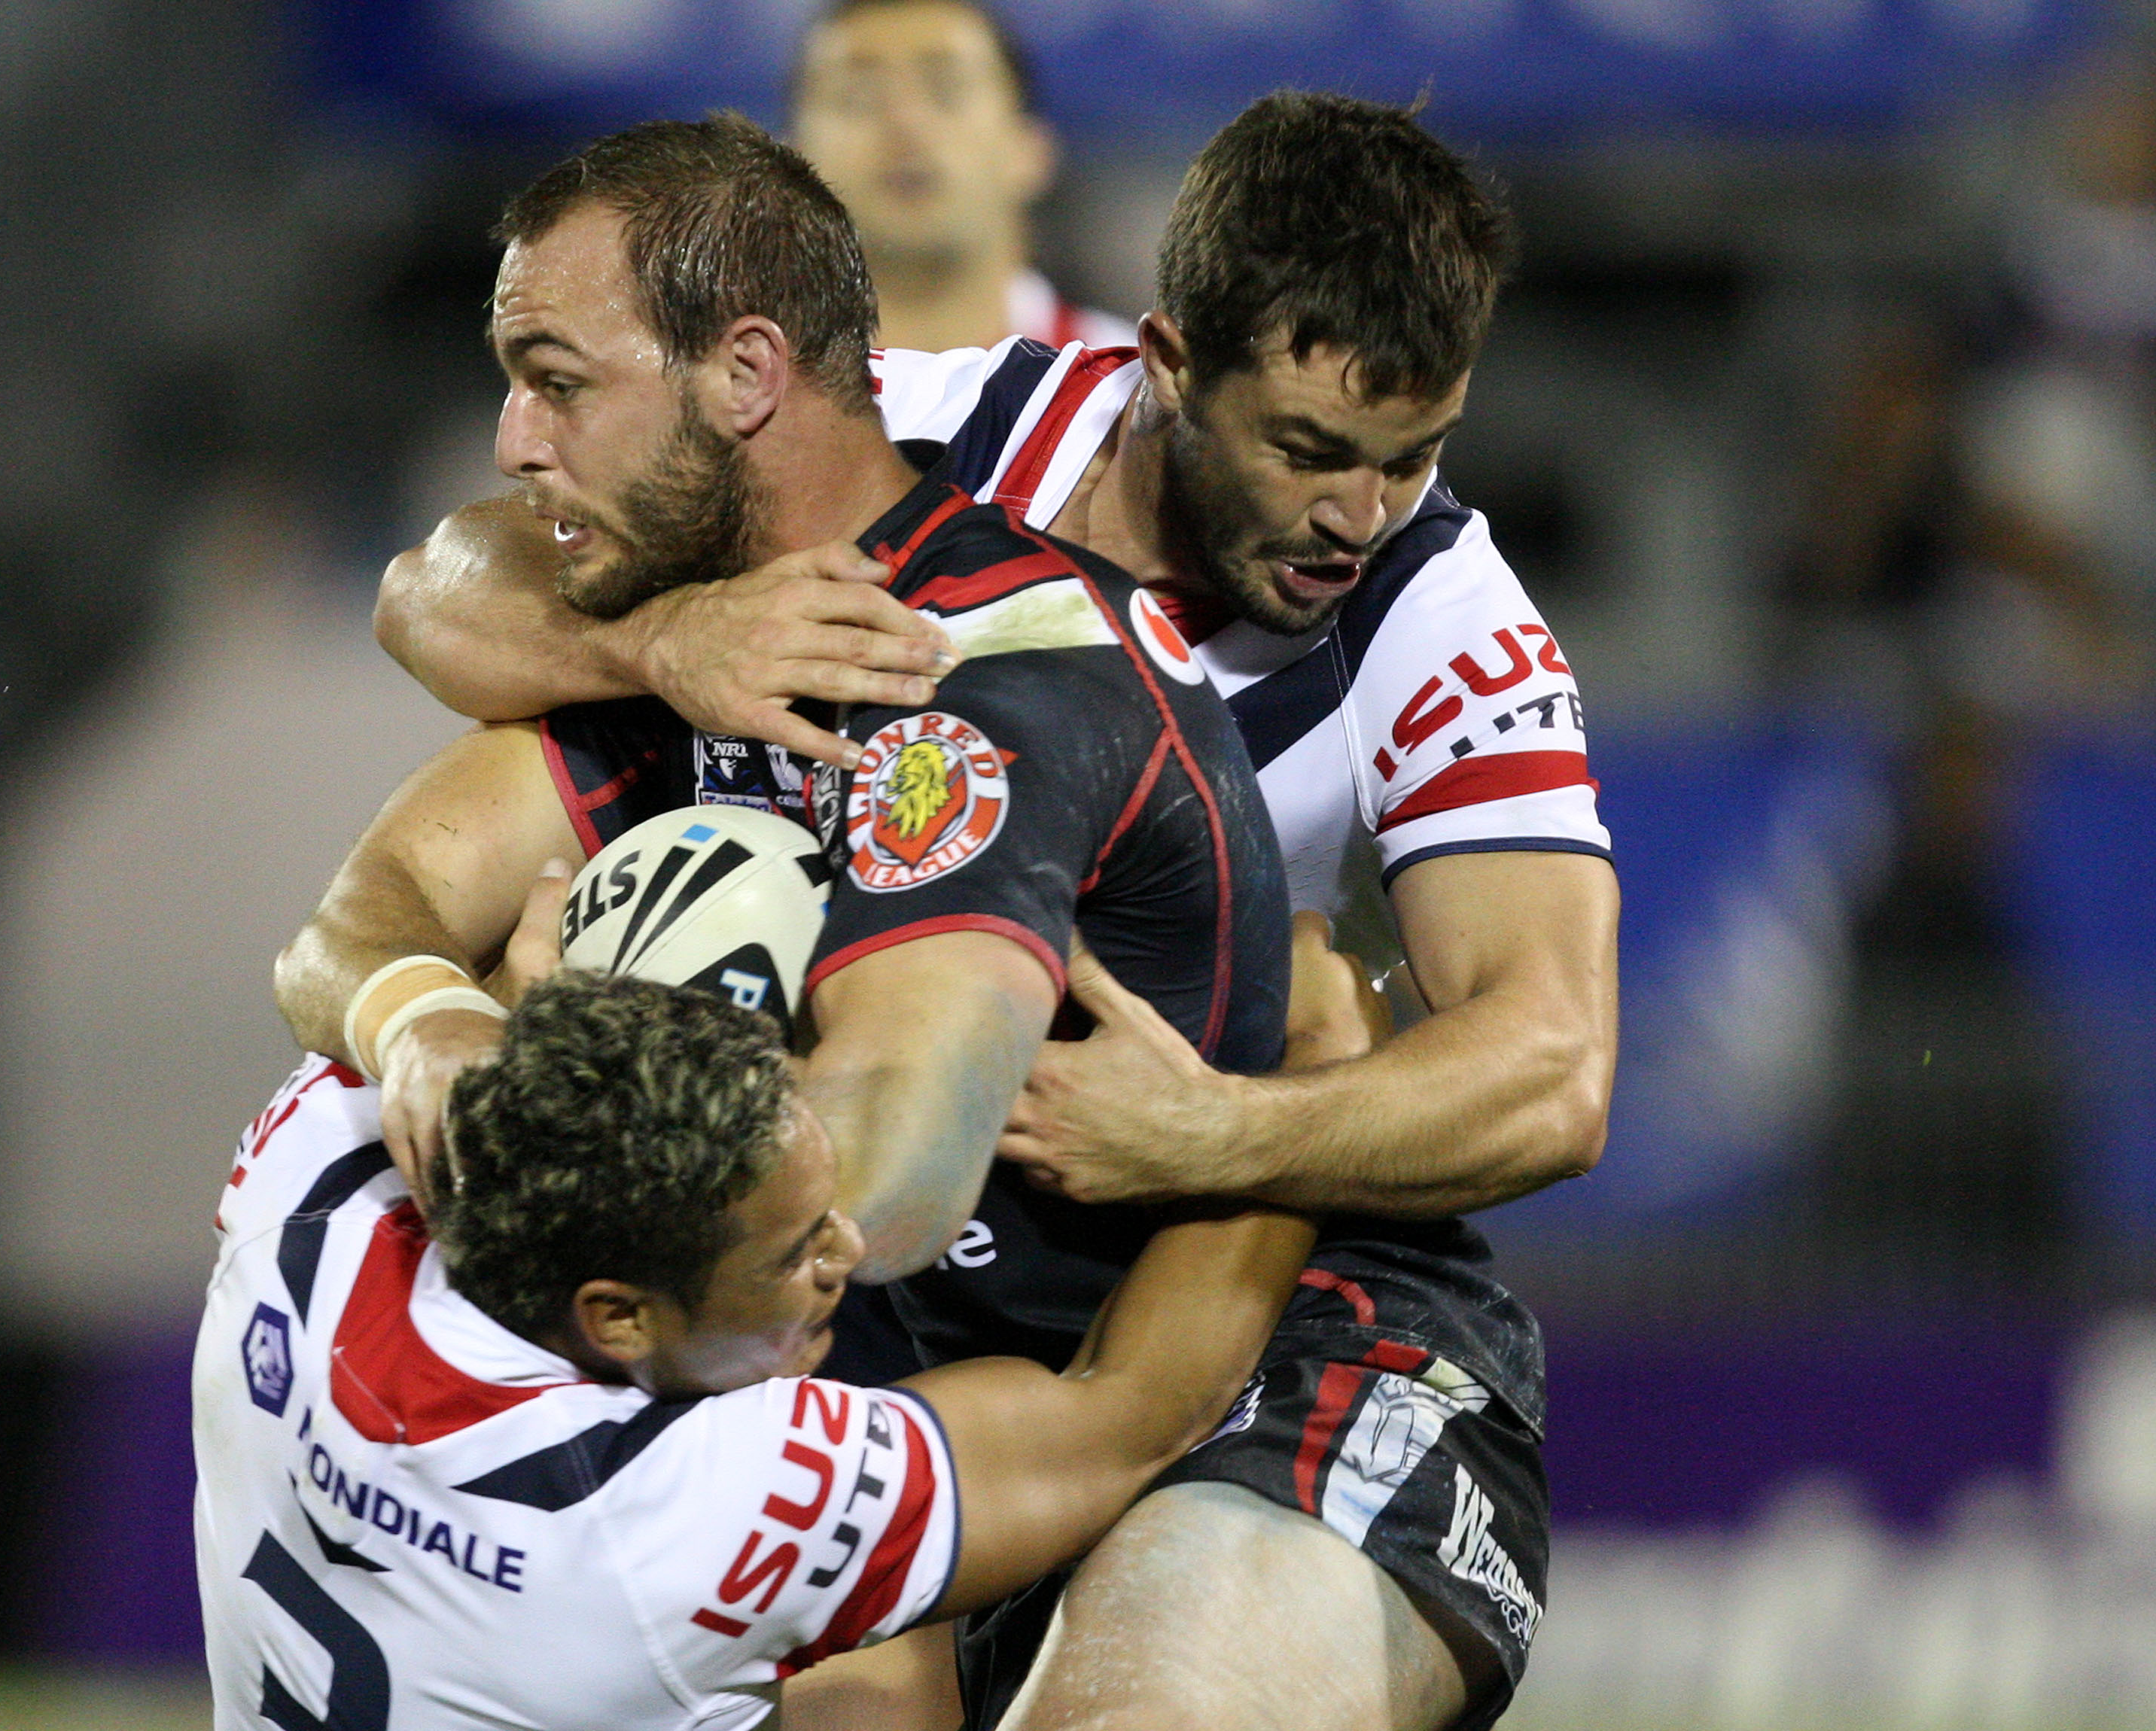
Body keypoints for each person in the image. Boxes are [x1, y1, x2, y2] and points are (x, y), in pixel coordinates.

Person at [372, 94, 1619, 1731]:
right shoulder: (939, 429)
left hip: (1267, 1281)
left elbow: (1552, 1069)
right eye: (1308, 450)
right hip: (896, 1293)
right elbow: (435, 589)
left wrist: (1216, 1134)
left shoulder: (1442, 623)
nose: (1356, 515)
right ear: (1164, 364)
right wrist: (656, 642)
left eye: (1412, 455)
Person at [196, 968, 1320, 1730]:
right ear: (617, 1317)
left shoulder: (317, 1184)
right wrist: (1286, 1094)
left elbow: (336, 952)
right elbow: (1133, 1410)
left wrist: (427, 1008)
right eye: (793, 1251)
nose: (850, 1248)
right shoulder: (680, 1510)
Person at [791, 0, 1129, 354]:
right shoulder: (750, 382)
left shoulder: (1135, 379)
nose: (906, 123)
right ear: (793, 166)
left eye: (945, 91)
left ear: (1030, 148)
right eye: (859, 97)